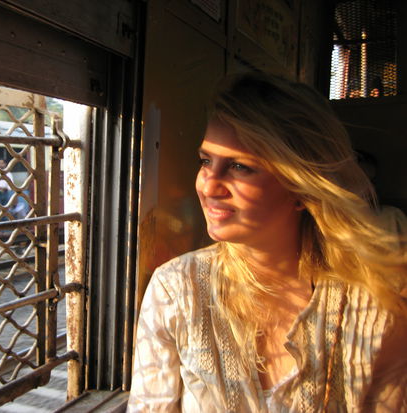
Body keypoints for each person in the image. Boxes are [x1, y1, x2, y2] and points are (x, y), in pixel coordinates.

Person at [128, 73, 407, 412]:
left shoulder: (373, 305)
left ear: (301, 189)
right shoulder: (176, 290)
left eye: (239, 166)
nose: (208, 185)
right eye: (205, 161)